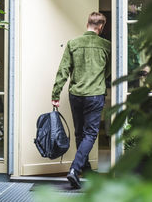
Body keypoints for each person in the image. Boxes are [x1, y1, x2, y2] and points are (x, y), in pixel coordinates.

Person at [51, 12, 111, 189]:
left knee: (79, 133)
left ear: (87, 24)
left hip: (76, 95)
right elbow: (108, 71)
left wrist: (55, 94)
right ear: (101, 27)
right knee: (91, 134)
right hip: (95, 94)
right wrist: (98, 79)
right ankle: (75, 170)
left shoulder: (73, 43)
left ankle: (85, 168)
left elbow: (63, 70)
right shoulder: (107, 45)